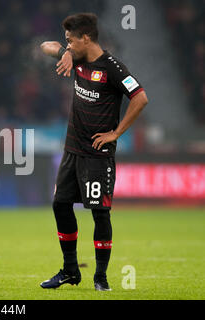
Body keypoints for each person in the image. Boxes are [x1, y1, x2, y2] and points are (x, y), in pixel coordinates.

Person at [39, 13, 148, 291]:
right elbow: (44, 46)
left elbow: (141, 98)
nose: (68, 44)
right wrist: (64, 52)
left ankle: (101, 277)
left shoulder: (113, 68)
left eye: (70, 40)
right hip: (72, 151)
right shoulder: (74, 57)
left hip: (98, 155)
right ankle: (70, 270)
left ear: (85, 38)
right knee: (60, 205)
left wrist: (116, 133)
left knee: (100, 213)